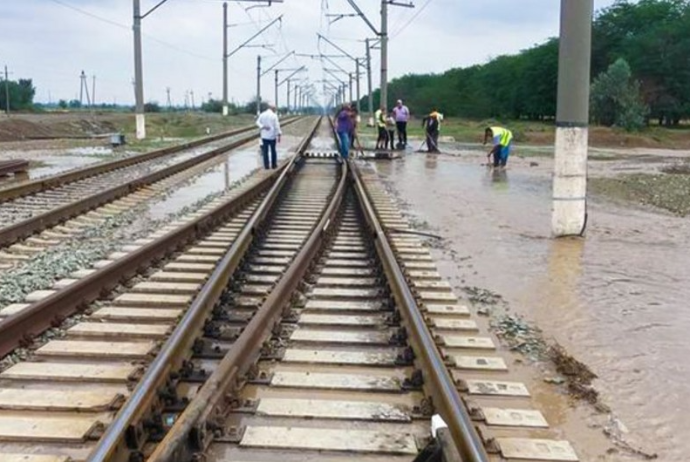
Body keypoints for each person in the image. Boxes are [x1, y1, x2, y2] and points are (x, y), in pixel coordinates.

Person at [256, 103, 281, 169]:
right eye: (275, 108)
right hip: (272, 136)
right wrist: (279, 134)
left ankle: (266, 166)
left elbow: (257, 122)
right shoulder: (274, 115)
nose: (275, 110)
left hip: (264, 136)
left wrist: (263, 126)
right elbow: (277, 126)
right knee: (273, 151)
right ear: (272, 108)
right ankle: (274, 165)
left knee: (265, 151)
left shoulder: (262, 114)